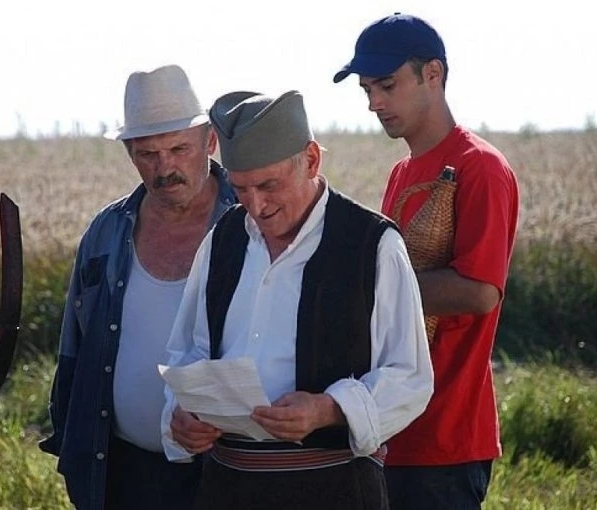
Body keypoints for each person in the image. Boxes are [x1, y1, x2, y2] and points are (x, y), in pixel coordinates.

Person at [160, 89, 433, 510]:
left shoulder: (371, 244)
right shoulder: (223, 241)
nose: (255, 205)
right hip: (225, 490)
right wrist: (181, 416)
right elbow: (190, 350)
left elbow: (409, 375)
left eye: (268, 185)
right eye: (242, 188)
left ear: (310, 159)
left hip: (335, 490)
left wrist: (329, 409)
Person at [333, 13, 520, 509]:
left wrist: (363, 286)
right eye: (367, 90)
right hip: (391, 427)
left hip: (448, 438)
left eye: (387, 85)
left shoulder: (481, 166)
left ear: (432, 74)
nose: (374, 103)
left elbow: (481, 291)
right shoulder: (402, 172)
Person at [39, 64, 237, 510]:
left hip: (226, 470)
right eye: (148, 153)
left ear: (209, 142)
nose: (165, 167)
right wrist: (70, 445)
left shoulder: (249, 224)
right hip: (121, 471)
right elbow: (74, 345)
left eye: (178, 148)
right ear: (130, 152)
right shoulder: (107, 231)